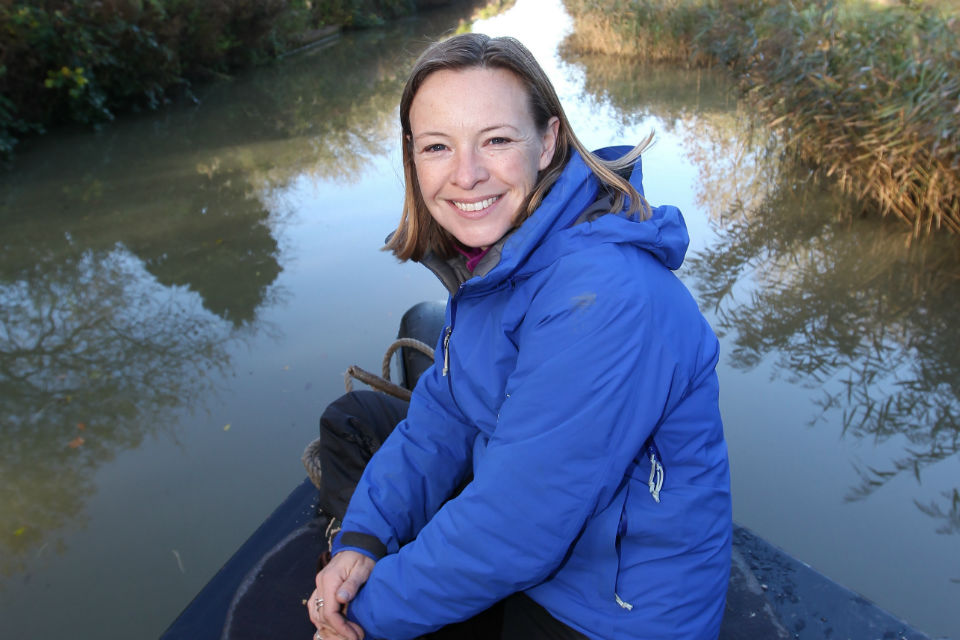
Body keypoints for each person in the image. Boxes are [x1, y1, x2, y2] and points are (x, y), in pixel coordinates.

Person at [306, 32, 732, 640]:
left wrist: (360, 618)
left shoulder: (605, 298)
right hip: (537, 538)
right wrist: (363, 540)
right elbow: (444, 417)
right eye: (437, 146)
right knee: (356, 421)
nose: (467, 175)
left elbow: (516, 529)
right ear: (413, 157)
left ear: (548, 141)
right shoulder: (497, 256)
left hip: (608, 612)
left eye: (497, 140)